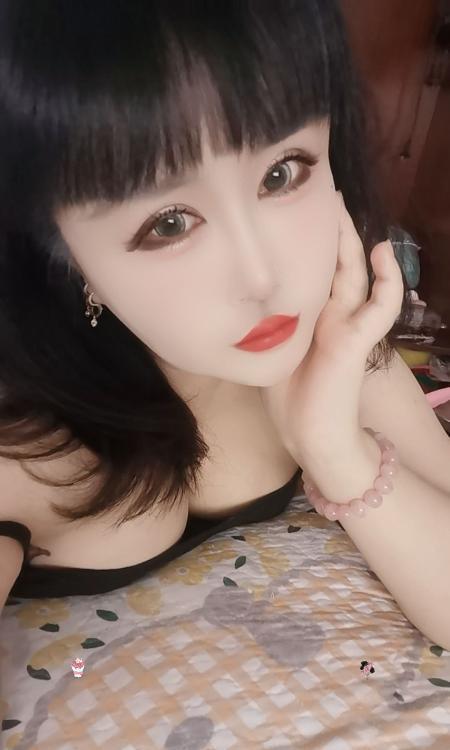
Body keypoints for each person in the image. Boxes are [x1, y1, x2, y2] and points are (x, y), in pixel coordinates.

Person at [0, 1, 449, 651]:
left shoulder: (333, 338)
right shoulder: (22, 444)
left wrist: (336, 451)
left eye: (282, 173)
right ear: (66, 255)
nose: (264, 278)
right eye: (169, 224)